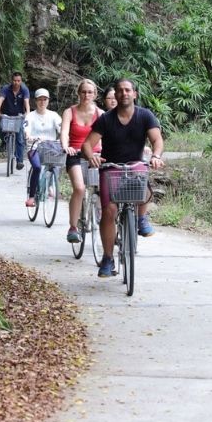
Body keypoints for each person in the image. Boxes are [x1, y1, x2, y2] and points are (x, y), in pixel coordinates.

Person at [81, 78, 165, 277]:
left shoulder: (145, 116)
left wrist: (156, 156)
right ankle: (108, 259)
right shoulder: (106, 119)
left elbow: (156, 139)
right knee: (109, 211)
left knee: (144, 186)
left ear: (134, 94)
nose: (124, 93)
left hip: (135, 166)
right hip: (111, 169)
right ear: (116, 95)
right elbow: (87, 144)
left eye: (128, 90)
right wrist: (91, 155)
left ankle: (141, 218)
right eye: (120, 90)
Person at [60, 78, 102, 244]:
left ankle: (101, 215)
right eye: (83, 91)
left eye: (90, 92)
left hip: (95, 154)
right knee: (79, 188)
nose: (86, 95)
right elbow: (64, 132)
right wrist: (66, 146)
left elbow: (107, 136)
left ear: (95, 94)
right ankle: (73, 227)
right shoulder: (70, 112)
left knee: (103, 188)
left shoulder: (100, 114)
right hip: (75, 153)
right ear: (78, 93)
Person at [23, 89, 62, 207]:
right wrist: (28, 135)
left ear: (48, 101)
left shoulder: (53, 115)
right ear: (35, 101)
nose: (42, 102)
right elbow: (26, 129)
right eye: (40, 99)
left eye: (45, 99)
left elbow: (61, 127)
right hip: (34, 147)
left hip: (51, 147)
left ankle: (51, 185)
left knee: (57, 164)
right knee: (37, 167)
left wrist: (64, 136)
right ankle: (31, 196)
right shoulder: (30, 116)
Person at [0, 71, 31, 170]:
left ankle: (19, 161)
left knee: (19, 137)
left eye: (18, 81)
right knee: (1, 127)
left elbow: (27, 103)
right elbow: (1, 100)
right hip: (6, 115)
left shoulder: (24, 90)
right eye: (14, 80)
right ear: (11, 80)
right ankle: (4, 142)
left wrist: (28, 114)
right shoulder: (6, 89)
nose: (16, 83)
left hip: (19, 116)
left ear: (21, 81)